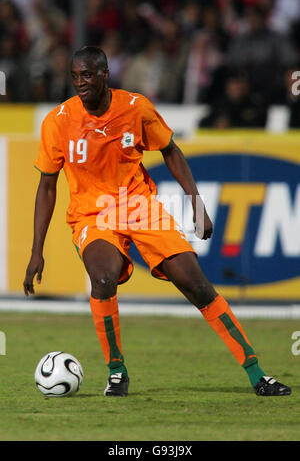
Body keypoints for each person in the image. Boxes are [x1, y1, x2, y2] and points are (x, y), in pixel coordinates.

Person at [23, 46, 291, 398]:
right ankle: (117, 371)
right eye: (74, 76)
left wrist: (196, 204)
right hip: (93, 213)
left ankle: (257, 373)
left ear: (105, 74)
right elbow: (46, 186)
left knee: (197, 287)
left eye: (87, 75)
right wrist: (36, 251)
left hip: (140, 208)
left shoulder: (136, 109)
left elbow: (171, 151)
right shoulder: (58, 121)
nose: (80, 83)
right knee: (103, 278)